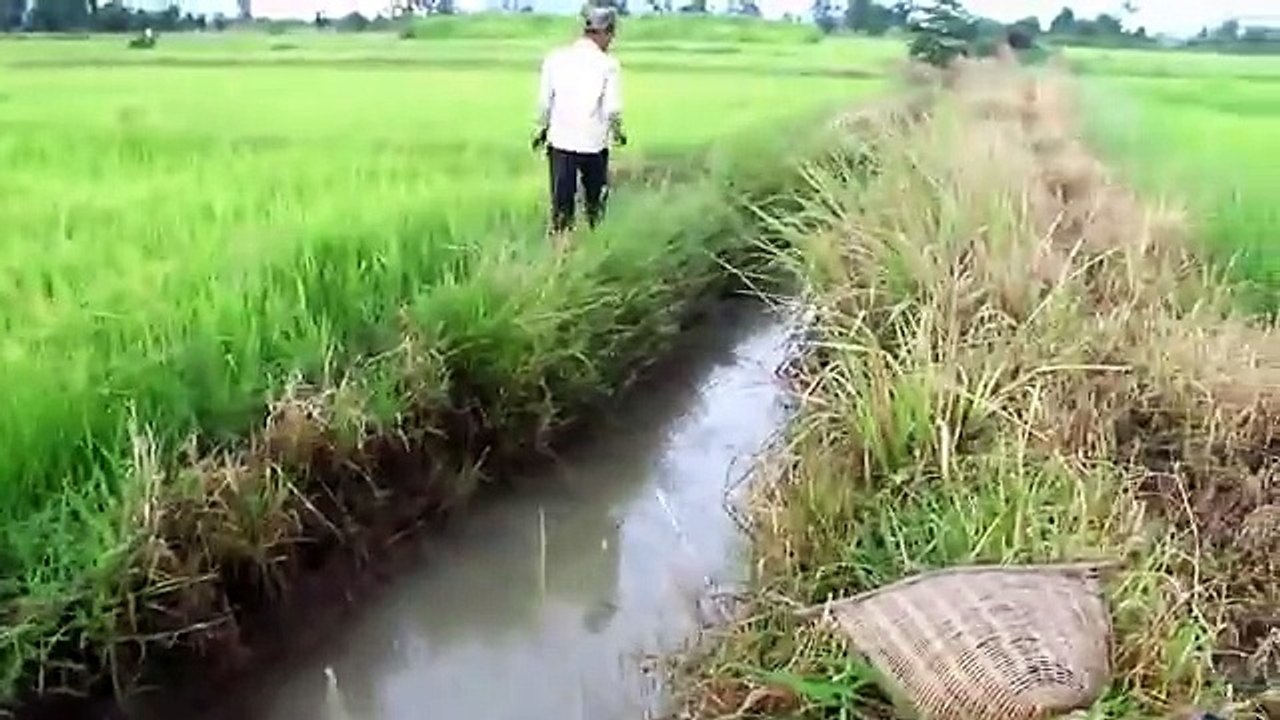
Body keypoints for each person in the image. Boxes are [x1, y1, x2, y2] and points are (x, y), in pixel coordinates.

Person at [532, 6, 628, 235]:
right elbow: (612, 108)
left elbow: (545, 103)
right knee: (595, 204)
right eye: (611, 35)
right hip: (594, 144)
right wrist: (618, 132)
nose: (611, 41)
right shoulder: (608, 65)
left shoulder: (555, 58)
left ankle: (561, 251)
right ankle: (594, 242)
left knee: (562, 204)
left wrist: (541, 130)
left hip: (561, 142)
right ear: (605, 32)